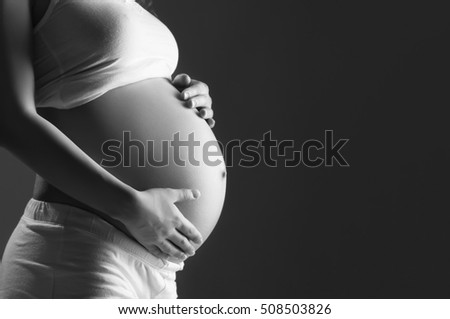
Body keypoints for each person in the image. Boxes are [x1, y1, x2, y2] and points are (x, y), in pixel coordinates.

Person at [0, 0, 227, 298]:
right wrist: (127, 206)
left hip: (158, 268)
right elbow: (9, 120)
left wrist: (185, 95)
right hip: (80, 252)